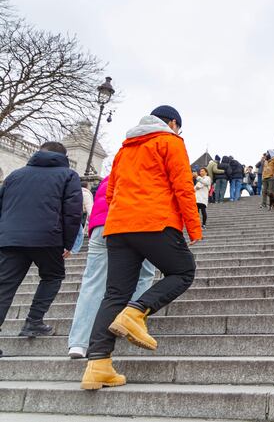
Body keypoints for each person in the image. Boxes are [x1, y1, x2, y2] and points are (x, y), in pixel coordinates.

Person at [80, 105, 201, 390]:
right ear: (173, 122)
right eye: (178, 127)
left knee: (114, 293)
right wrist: (193, 227)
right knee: (183, 271)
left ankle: (98, 365)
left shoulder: (125, 149)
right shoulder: (170, 141)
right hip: (154, 221)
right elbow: (183, 186)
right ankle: (136, 313)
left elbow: (109, 192)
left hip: (119, 226)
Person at [0, 141, 82, 357]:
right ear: (63, 156)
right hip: (48, 237)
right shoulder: (68, 175)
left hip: (10, 239)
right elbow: (72, 212)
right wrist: (69, 242)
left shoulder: (15, 175)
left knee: (4, 287)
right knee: (52, 276)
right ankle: (33, 321)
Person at [67, 176, 156, 359]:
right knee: (144, 274)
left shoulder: (113, 173)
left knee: (93, 282)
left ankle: (79, 343)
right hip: (138, 223)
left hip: (101, 225)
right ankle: (128, 322)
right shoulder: (150, 167)